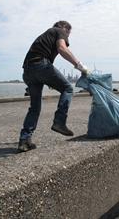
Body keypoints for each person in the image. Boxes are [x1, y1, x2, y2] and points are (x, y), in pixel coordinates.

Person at [18, 20, 88, 152]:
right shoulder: (59, 31)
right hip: (41, 65)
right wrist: (80, 66)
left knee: (35, 108)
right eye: (68, 33)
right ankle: (59, 122)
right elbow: (62, 49)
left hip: (28, 71)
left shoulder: (45, 36)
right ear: (64, 28)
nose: (67, 37)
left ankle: (24, 140)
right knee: (67, 88)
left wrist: (47, 79)